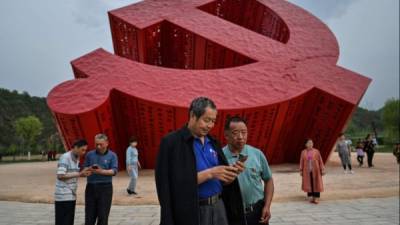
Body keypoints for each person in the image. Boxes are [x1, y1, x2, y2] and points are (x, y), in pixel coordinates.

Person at [155, 97, 246, 225]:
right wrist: (211, 173)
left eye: (213, 121)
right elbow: (168, 185)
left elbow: (222, 182)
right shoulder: (172, 143)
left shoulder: (213, 142)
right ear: (193, 115)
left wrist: (230, 175)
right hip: (192, 211)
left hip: (219, 207)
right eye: (206, 120)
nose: (210, 125)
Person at [222, 116, 274, 225]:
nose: (240, 137)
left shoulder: (257, 154)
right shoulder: (219, 156)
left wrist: (267, 206)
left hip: (257, 212)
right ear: (226, 135)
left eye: (244, 132)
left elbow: (268, 180)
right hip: (231, 214)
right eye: (235, 133)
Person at [54, 139, 91, 225]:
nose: (84, 152)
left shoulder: (76, 158)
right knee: (63, 221)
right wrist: (79, 173)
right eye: (82, 150)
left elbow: (73, 174)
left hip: (70, 194)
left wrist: (82, 174)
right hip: (63, 195)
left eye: (85, 150)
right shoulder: (65, 157)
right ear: (75, 147)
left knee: (69, 221)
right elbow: (60, 175)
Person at [84, 133, 118, 225]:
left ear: (107, 143)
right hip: (91, 187)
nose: (98, 146)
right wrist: (89, 169)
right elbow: (84, 169)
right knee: (89, 216)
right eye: (96, 144)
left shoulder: (112, 155)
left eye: (101, 144)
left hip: (105, 188)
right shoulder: (89, 155)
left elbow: (114, 171)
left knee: (103, 216)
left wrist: (101, 171)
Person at [299, 139, 325, 204]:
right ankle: (312, 197)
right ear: (306, 144)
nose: (311, 144)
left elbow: (320, 161)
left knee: (316, 183)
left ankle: (316, 198)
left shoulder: (316, 151)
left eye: (311, 143)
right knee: (309, 183)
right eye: (309, 143)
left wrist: (322, 169)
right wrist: (301, 170)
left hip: (316, 170)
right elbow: (301, 161)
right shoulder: (303, 152)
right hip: (307, 171)